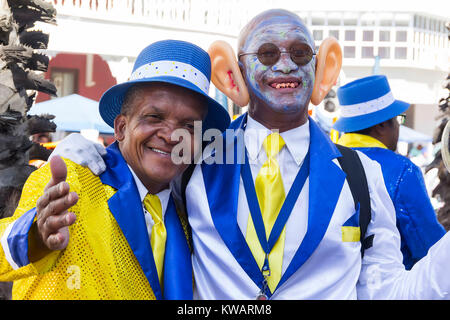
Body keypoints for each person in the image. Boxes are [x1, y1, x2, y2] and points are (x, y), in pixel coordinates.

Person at [51, 9, 450, 300]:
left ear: (322, 67)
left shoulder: (363, 176)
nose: (285, 66)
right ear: (233, 73)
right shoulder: (193, 157)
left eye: (299, 53)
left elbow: (389, 292)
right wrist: (87, 158)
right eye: (267, 54)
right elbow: (138, 173)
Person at [0, 40, 230, 299]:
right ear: (121, 127)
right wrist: (35, 236)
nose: (171, 135)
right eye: (154, 117)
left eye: (189, 126)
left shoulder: (190, 208)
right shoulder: (71, 178)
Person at [334, 75, 446, 270]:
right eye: (397, 119)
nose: (398, 127)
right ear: (382, 125)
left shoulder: (326, 161)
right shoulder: (402, 170)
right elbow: (429, 246)